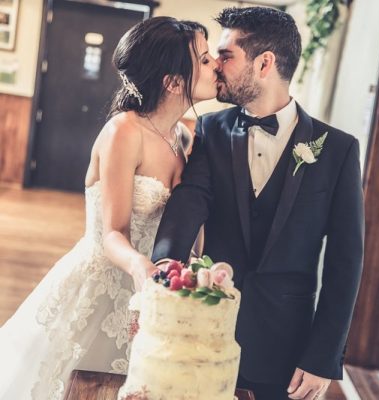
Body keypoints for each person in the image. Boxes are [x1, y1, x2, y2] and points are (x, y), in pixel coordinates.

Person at [0, 17, 218, 400]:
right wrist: (141, 268)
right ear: (172, 81)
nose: (214, 63)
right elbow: (112, 233)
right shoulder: (123, 132)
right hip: (105, 284)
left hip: (150, 292)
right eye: (203, 59)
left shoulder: (180, 136)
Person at [152, 7, 364, 400]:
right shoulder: (212, 129)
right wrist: (163, 270)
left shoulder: (338, 151)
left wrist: (323, 357)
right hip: (206, 329)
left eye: (226, 55)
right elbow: (188, 202)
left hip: (286, 351)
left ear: (265, 63)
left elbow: (345, 261)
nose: (215, 65)